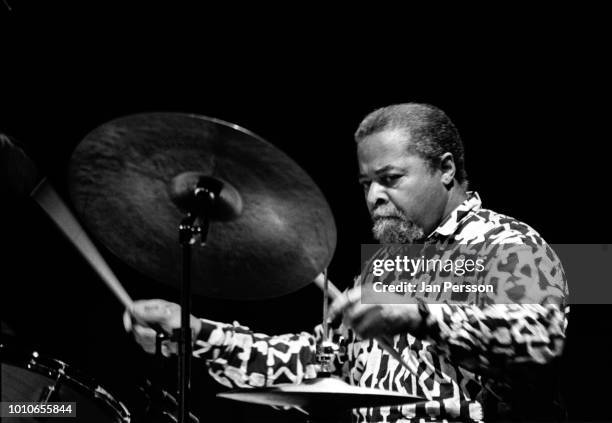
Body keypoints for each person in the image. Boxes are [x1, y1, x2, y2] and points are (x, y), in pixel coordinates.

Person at [126, 103, 568, 422]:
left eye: (390, 179)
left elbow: (537, 339)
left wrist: (420, 317)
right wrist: (200, 332)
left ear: (446, 169)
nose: (374, 197)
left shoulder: (506, 243)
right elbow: (319, 359)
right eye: (366, 184)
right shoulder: (383, 269)